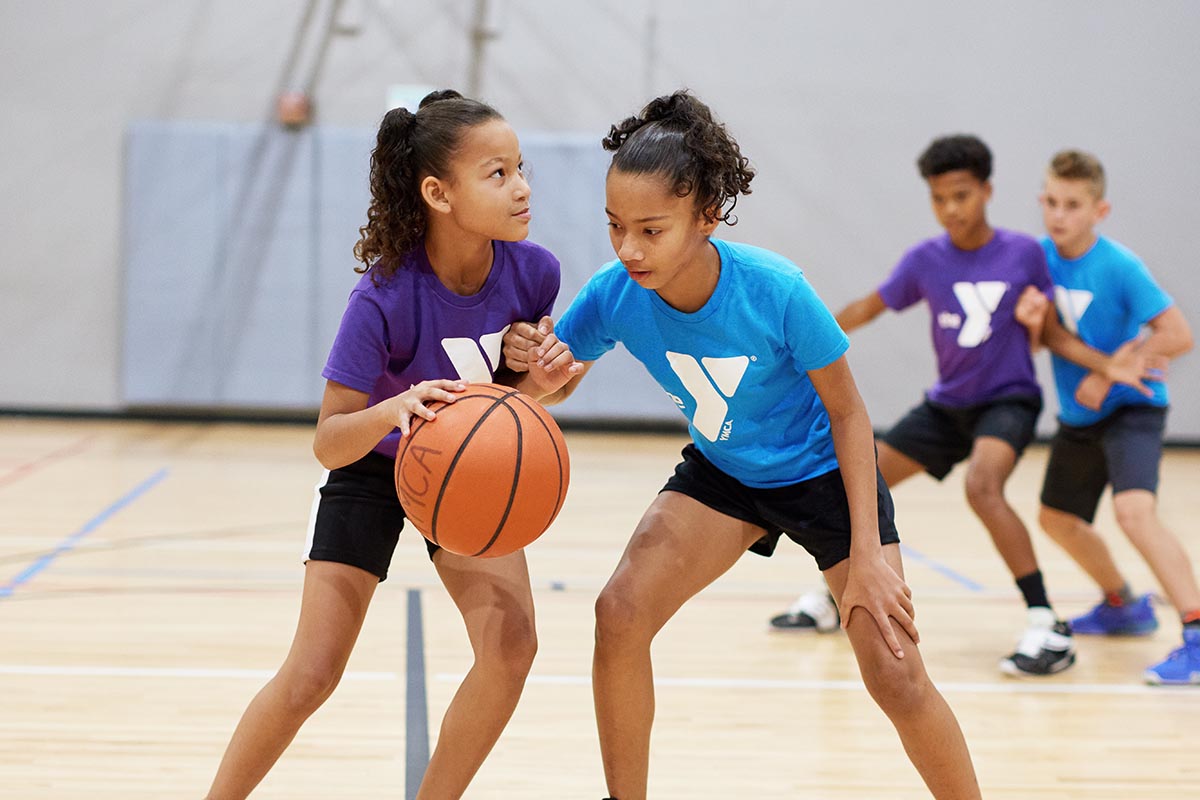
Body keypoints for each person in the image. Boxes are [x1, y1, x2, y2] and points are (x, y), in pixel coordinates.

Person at [507, 90, 980, 800]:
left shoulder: (776, 289)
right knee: (619, 615)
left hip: (823, 471)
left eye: (651, 229)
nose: (629, 248)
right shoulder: (614, 294)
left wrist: (871, 559)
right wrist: (541, 377)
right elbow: (558, 379)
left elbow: (850, 415)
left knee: (895, 670)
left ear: (706, 216)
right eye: (615, 227)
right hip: (725, 473)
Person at [204, 89, 579, 799]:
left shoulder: (535, 272)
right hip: (371, 470)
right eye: (497, 173)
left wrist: (548, 379)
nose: (523, 187)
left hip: (466, 472)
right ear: (439, 192)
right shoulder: (381, 297)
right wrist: (395, 409)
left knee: (511, 650)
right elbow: (327, 442)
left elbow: (517, 404)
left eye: (521, 167)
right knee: (311, 675)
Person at [770, 135, 1148, 677]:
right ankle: (841, 594)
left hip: (1008, 400)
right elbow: (868, 307)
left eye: (962, 196)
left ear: (987, 191)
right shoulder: (925, 259)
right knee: (857, 476)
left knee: (982, 486)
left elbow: (1054, 334)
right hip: (947, 406)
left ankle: (1046, 620)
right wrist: (796, 341)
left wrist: (1105, 364)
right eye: (939, 198)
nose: (951, 209)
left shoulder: (1025, 254)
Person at [1015, 149, 1198, 685]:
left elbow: (1179, 334)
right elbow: (1044, 339)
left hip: (1132, 409)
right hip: (1080, 414)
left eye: (1073, 205)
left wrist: (1118, 369)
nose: (1058, 214)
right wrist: (1031, 327)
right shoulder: (1037, 258)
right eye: (1051, 201)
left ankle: (1196, 631)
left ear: (1100, 210)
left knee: (1134, 512)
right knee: (1056, 518)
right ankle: (1123, 605)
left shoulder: (1119, 265)